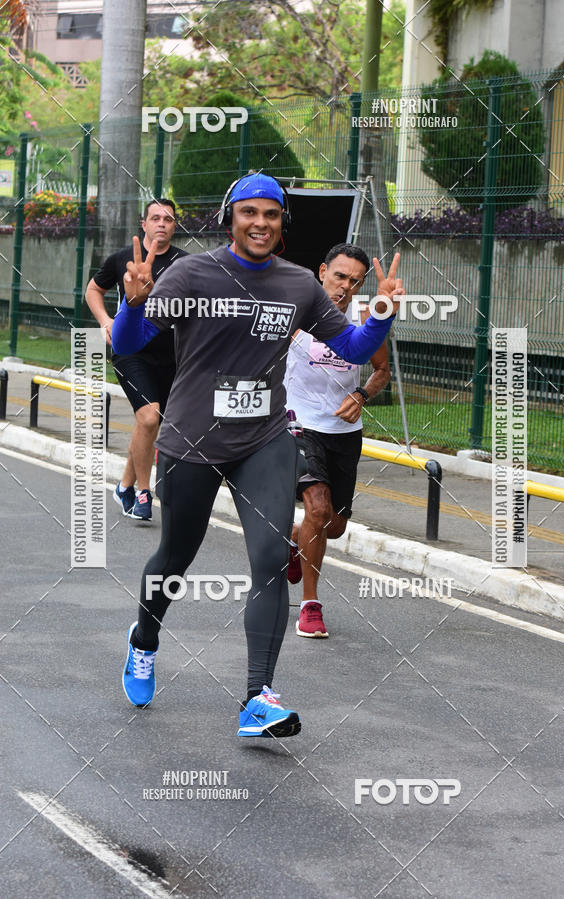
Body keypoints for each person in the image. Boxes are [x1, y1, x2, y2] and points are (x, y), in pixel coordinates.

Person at [111, 172, 404, 739]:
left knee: (271, 559)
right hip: (193, 439)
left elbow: (350, 348)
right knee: (174, 558)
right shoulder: (192, 273)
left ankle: (257, 698)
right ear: (230, 219)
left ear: (282, 224)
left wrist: (382, 316)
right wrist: (132, 303)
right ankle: (143, 640)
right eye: (250, 213)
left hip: (264, 439)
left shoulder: (298, 285)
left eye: (271, 214)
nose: (261, 223)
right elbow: (127, 343)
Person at [284, 242, 391, 639]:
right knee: (316, 508)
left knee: (334, 526)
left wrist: (361, 395)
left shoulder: (366, 321)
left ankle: (296, 540)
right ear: (322, 271)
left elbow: (381, 371)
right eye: (339, 276)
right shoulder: (296, 313)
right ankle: (310, 606)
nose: (344, 286)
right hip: (298, 423)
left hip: (343, 432)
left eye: (354, 281)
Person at [85, 199, 188, 521]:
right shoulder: (122, 259)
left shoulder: (186, 264)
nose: (162, 223)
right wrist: (105, 321)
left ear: (174, 226)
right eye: (155, 218)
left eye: (168, 219)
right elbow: (93, 290)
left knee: (152, 422)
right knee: (148, 418)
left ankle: (124, 485)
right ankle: (144, 492)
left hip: (172, 356)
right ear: (143, 224)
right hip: (130, 352)